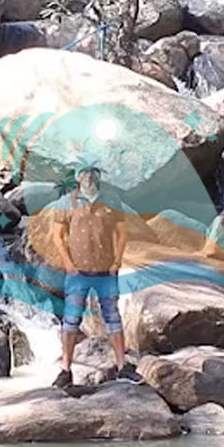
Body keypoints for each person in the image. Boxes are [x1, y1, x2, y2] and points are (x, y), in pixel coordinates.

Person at [50, 165, 135, 388]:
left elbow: (123, 232)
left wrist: (117, 261)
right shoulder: (66, 201)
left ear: (98, 175)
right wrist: (68, 263)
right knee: (70, 321)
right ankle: (65, 370)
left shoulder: (111, 200)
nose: (88, 176)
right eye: (83, 172)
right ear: (77, 176)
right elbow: (57, 236)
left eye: (92, 172)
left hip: (106, 271)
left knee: (113, 318)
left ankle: (122, 367)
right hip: (77, 272)